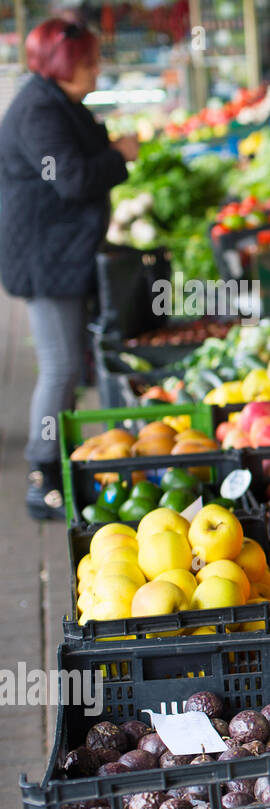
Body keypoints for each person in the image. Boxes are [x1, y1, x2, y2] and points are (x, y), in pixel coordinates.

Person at [0, 17, 139, 520]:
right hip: (46, 259)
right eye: (89, 62)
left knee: (66, 365)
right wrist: (120, 154)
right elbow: (72, 179)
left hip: (60, 252)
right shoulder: (39, 110)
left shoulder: (54, 101)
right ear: (62, 65)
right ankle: (43, 478)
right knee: (58, 367)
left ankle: (64, 465)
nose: (97, 70)